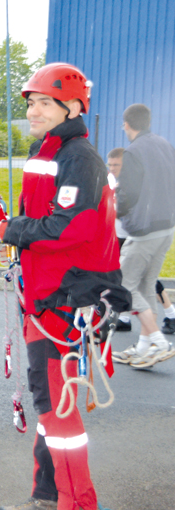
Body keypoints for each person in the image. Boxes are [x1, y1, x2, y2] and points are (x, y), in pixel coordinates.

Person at [0, 63, 129, 510]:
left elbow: (71, 227)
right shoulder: (47, 153)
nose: (32, 109)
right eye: (30, 101)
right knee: (49, 403)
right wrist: (21, 234)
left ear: (71, 107)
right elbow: (44, 215)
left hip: (69, 301)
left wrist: (13, 231)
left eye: (43, 102)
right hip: (45, 296)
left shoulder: (80, 159)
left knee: (62, 411)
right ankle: (48, 495)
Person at [109, 103, 175, 368]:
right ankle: (145, 348)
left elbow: (129, 191)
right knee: (146, 285)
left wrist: (116, 210)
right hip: (166, 225)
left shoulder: (133, 152)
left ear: (126, 124)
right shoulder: (164, 144)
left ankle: (159, 342)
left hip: (144, 228)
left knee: (122, 284)